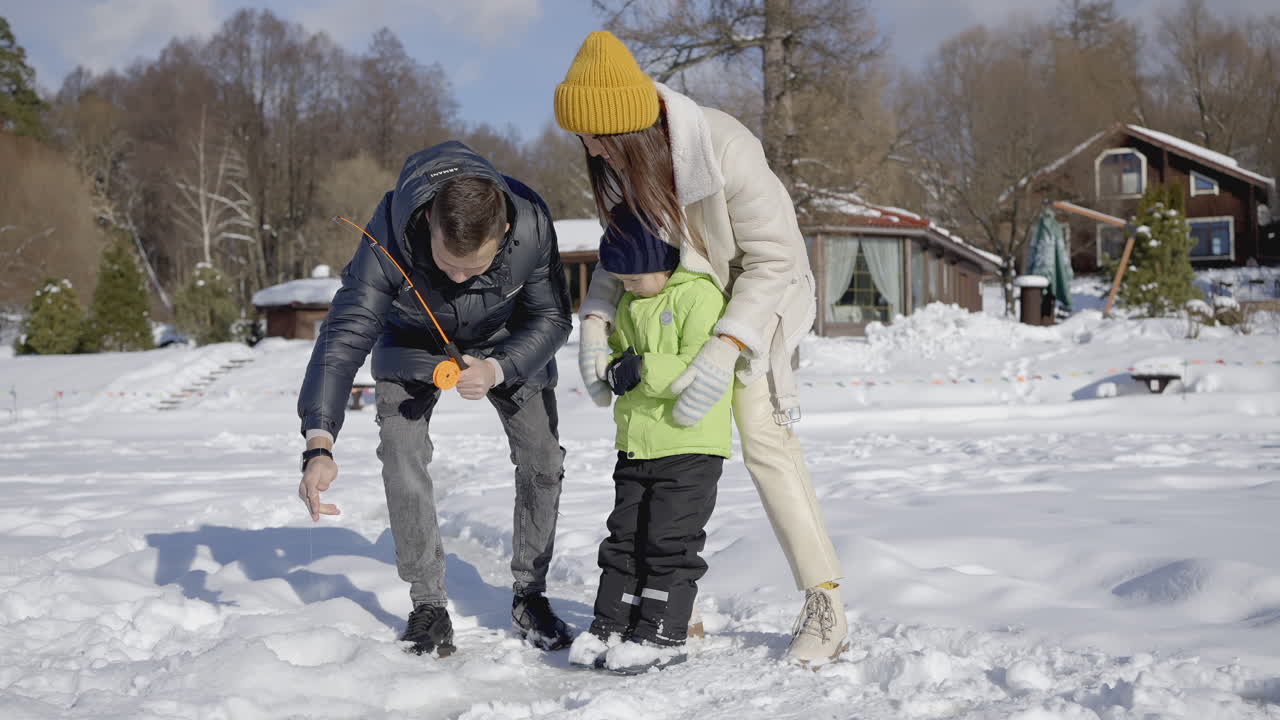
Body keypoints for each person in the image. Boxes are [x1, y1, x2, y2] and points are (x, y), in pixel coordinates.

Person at [554, 31, 848, 665]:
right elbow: (621, 250)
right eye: (584, 141)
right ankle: (673, 608)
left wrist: (723, 351)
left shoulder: (724, 145)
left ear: (633, 126)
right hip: (675, 308)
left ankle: (825, 600)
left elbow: (772, 260)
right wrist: (595, 324)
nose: (592, 151)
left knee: (763, 439)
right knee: (662, 444)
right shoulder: (620, 159)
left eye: (599, 139)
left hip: (757, 301)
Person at [296, 141, 574, 657]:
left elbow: (553, 318)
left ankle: (530, 595)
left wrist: (498, 368)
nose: (458, 279)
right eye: (448, 266)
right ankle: (427, 604)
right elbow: (343, 339)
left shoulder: (531, 222)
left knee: (542, 457)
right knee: (403, 456)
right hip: (412, 343)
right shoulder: (387, 237)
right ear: (428, 222)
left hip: (506, 345)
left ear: (504, 232)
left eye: (474, 270)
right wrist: (319, 442)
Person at [566, 205, 731, 674]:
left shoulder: (699, 297)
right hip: (637, 446)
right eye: (621, 279)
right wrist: (614, 365)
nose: (628, 286)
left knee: (668, 543)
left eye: (636, 277)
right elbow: (622, 353)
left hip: (689, 446)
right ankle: (612, 623)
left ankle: (663, 631)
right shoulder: (632, 301)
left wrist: (644, 367)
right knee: (623, 539)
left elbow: (701, 366)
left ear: (664, 261)